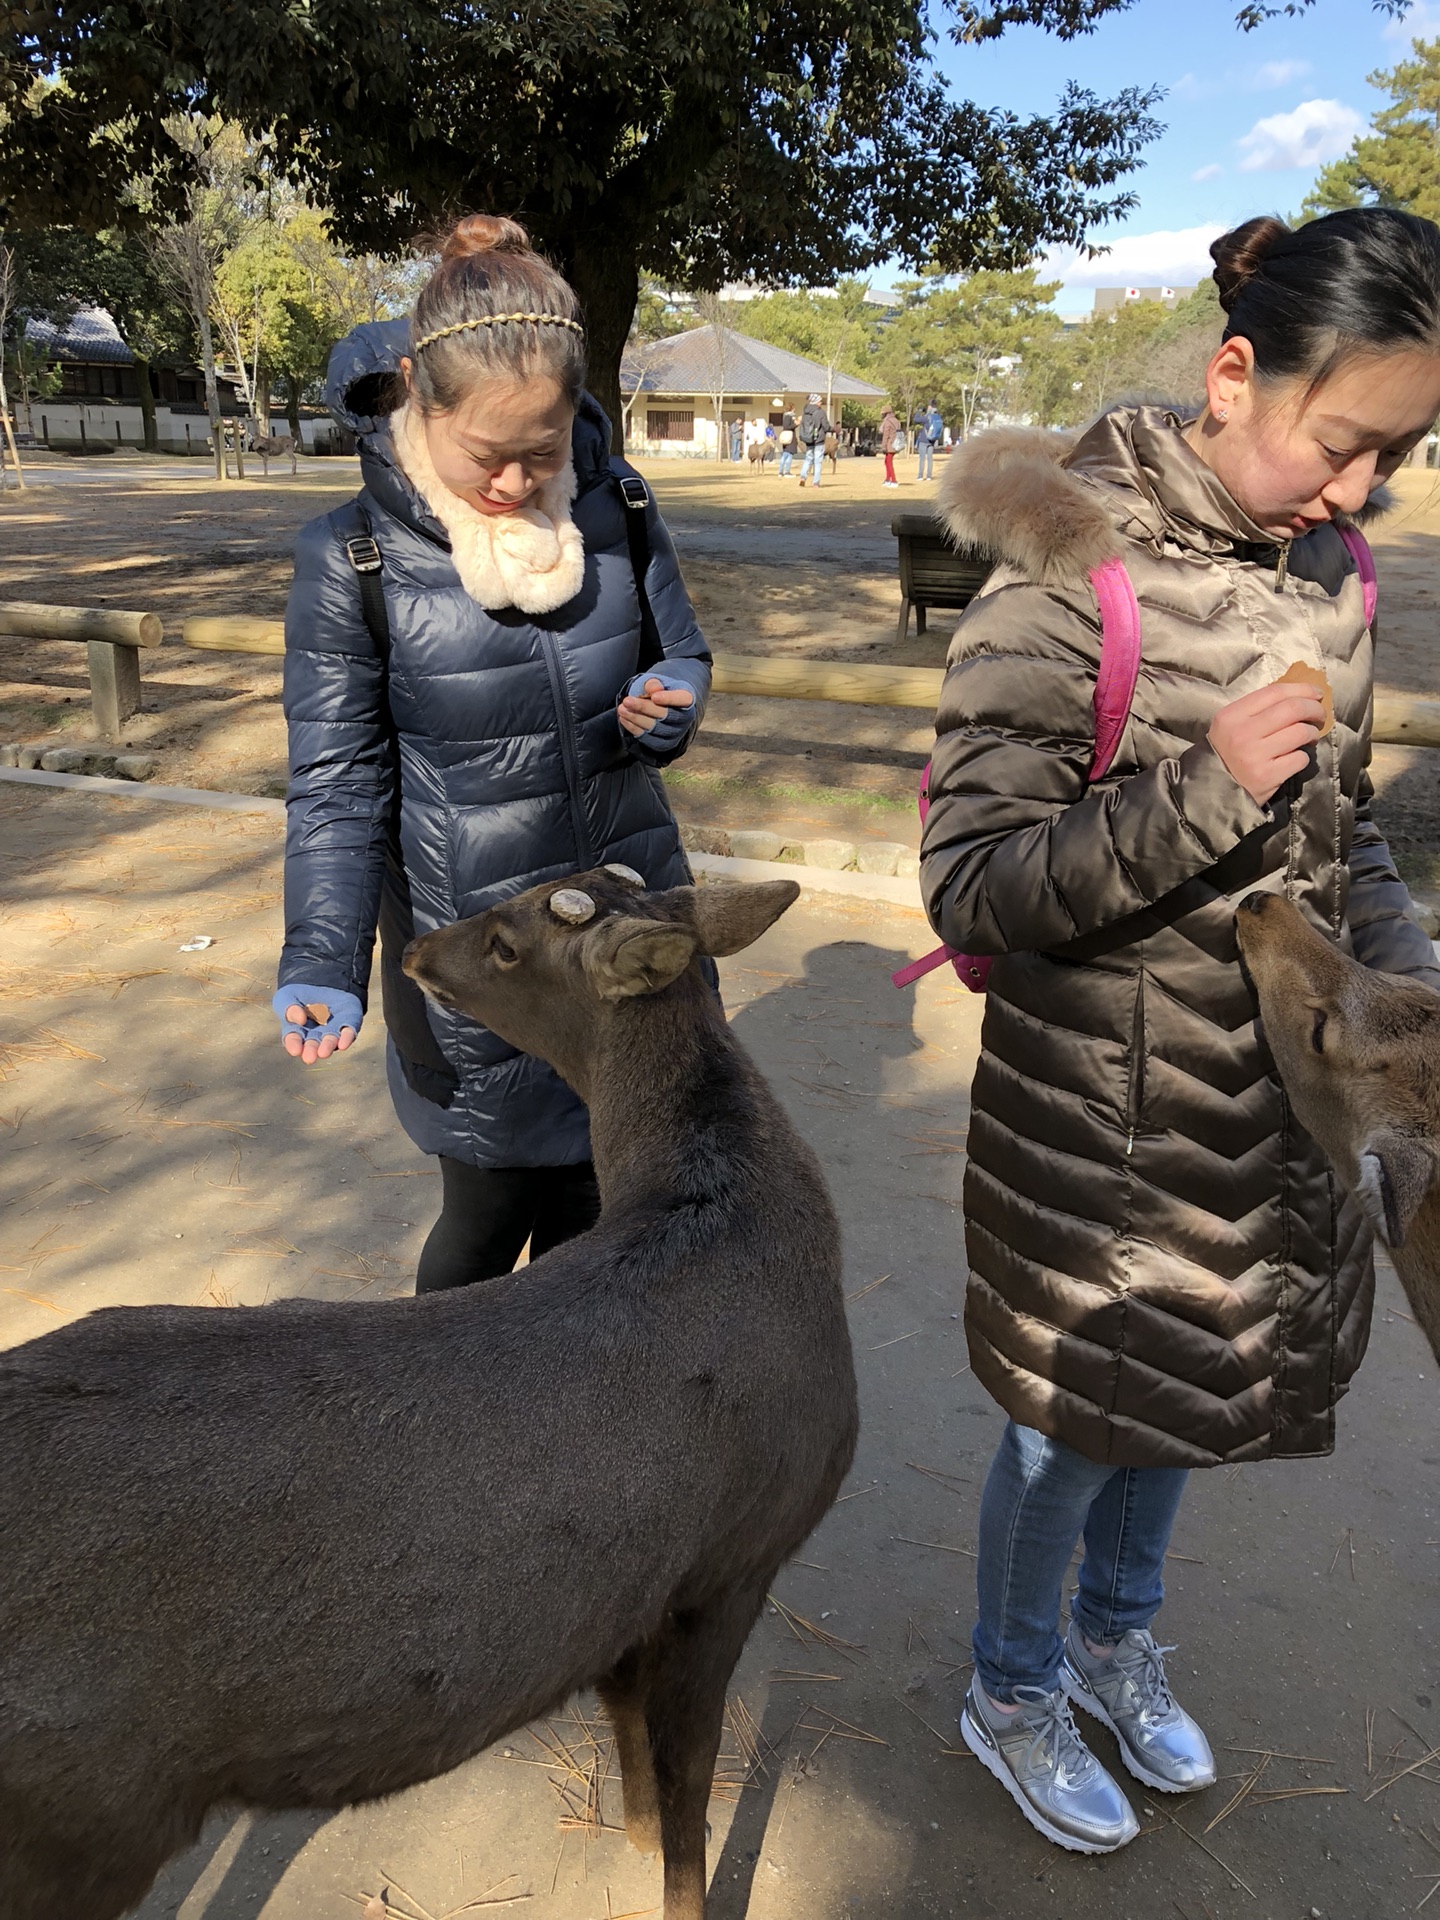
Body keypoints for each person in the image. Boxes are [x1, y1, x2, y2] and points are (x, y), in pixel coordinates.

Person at [920, 207, 1440, 1854]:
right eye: (1348, 445)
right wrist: (1208, 785)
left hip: (1263, 1122)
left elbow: (1344, 846)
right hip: (1101, 1130)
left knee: (1195, 1405)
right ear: (1235, 375)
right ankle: (1009, 1685)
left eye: (1401, 458)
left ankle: (1109, 1642)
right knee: (1072, 1431)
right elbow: (973, 884)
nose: (1361, 494)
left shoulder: (1324, 589)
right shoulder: (1066, 584)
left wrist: (1416, 1012)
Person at [273, 214, 711, 1289]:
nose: (517, 483)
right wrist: (325, 957)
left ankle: (561, 1433)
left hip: (621, 922)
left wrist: (676, 704)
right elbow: (336, 783)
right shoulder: (352, 555)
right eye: (489, 455)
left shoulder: (620, 508)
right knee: (485, 1214)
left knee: (600, 1210)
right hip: (477, 956)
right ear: (420, 392)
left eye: (544, 453)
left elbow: (683, 652)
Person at [798, 393, 831, 488]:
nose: (821, 403)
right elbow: (826, 426)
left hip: (808, 439)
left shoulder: (806, 412)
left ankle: (803, 477)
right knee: (818, 461)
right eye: (820, 401)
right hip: (819, 440)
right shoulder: (820, 412)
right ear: (816, 402)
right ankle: (816, 482)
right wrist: (834, 429)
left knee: (808, 459)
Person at [915, 401, 941, 480]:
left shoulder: (927, 417)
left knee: (922, 458)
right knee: (930, 459)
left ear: (930, 407)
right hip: (932, 440)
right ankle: (929, 476)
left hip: (924, 440)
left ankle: (920, 476)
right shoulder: (938, 417)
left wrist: (919, 411)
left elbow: (916, 419)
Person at [880, 405, 901, 487]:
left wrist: (883, 447)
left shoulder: (887, 422)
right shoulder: (897, 421)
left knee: (889, 463)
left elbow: (886, 435)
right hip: (896, 444)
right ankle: (888, 479)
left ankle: (894, 480)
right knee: (887, 462)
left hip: (890, 445)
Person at [778, 407, 797, 478]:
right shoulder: (789, 416)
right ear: (792, 408)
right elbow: (787, 426)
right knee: (788, 455)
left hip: (787, 438)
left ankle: (780, 472)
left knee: (785, 454)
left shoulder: (785, 416)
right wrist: (796, 424)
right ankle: (786, 472)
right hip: (789, 438)